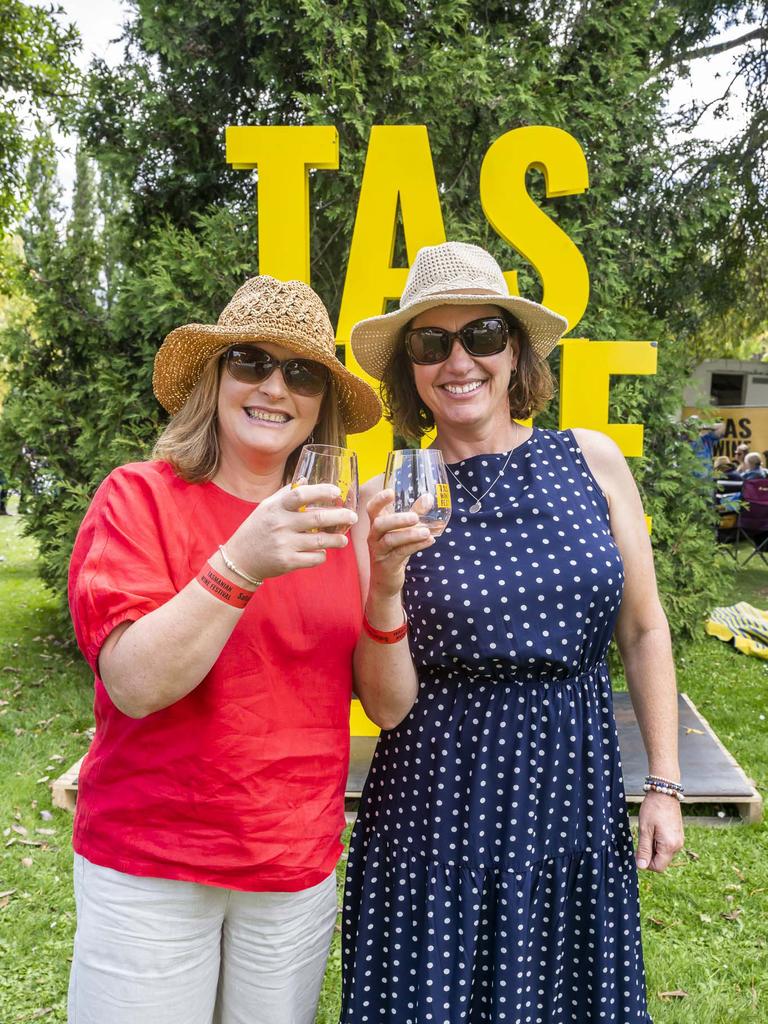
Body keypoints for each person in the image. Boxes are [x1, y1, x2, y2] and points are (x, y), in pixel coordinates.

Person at [340, 242, 684, 1023]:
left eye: (483, 336)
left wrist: (662, 782)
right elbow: (375, 689)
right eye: (432, 342)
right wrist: (385, 582)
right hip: (435, 800)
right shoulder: (383, 499)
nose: (459, 360)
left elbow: (643, 630)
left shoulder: (591, 461)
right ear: (411, 371)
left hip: (571, 786)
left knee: (563, 993)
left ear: (516, 352)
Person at [67, 275, 382, 1024]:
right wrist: (240, 562)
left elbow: (378, 693)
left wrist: (390, 583)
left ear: (321, 404)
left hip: (291, 858)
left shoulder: (338, 523)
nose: (275, 385)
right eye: (250, 361)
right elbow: (135, 683)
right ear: (214, 379)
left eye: (302, 372)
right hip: (151, 861)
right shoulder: (137, 497)